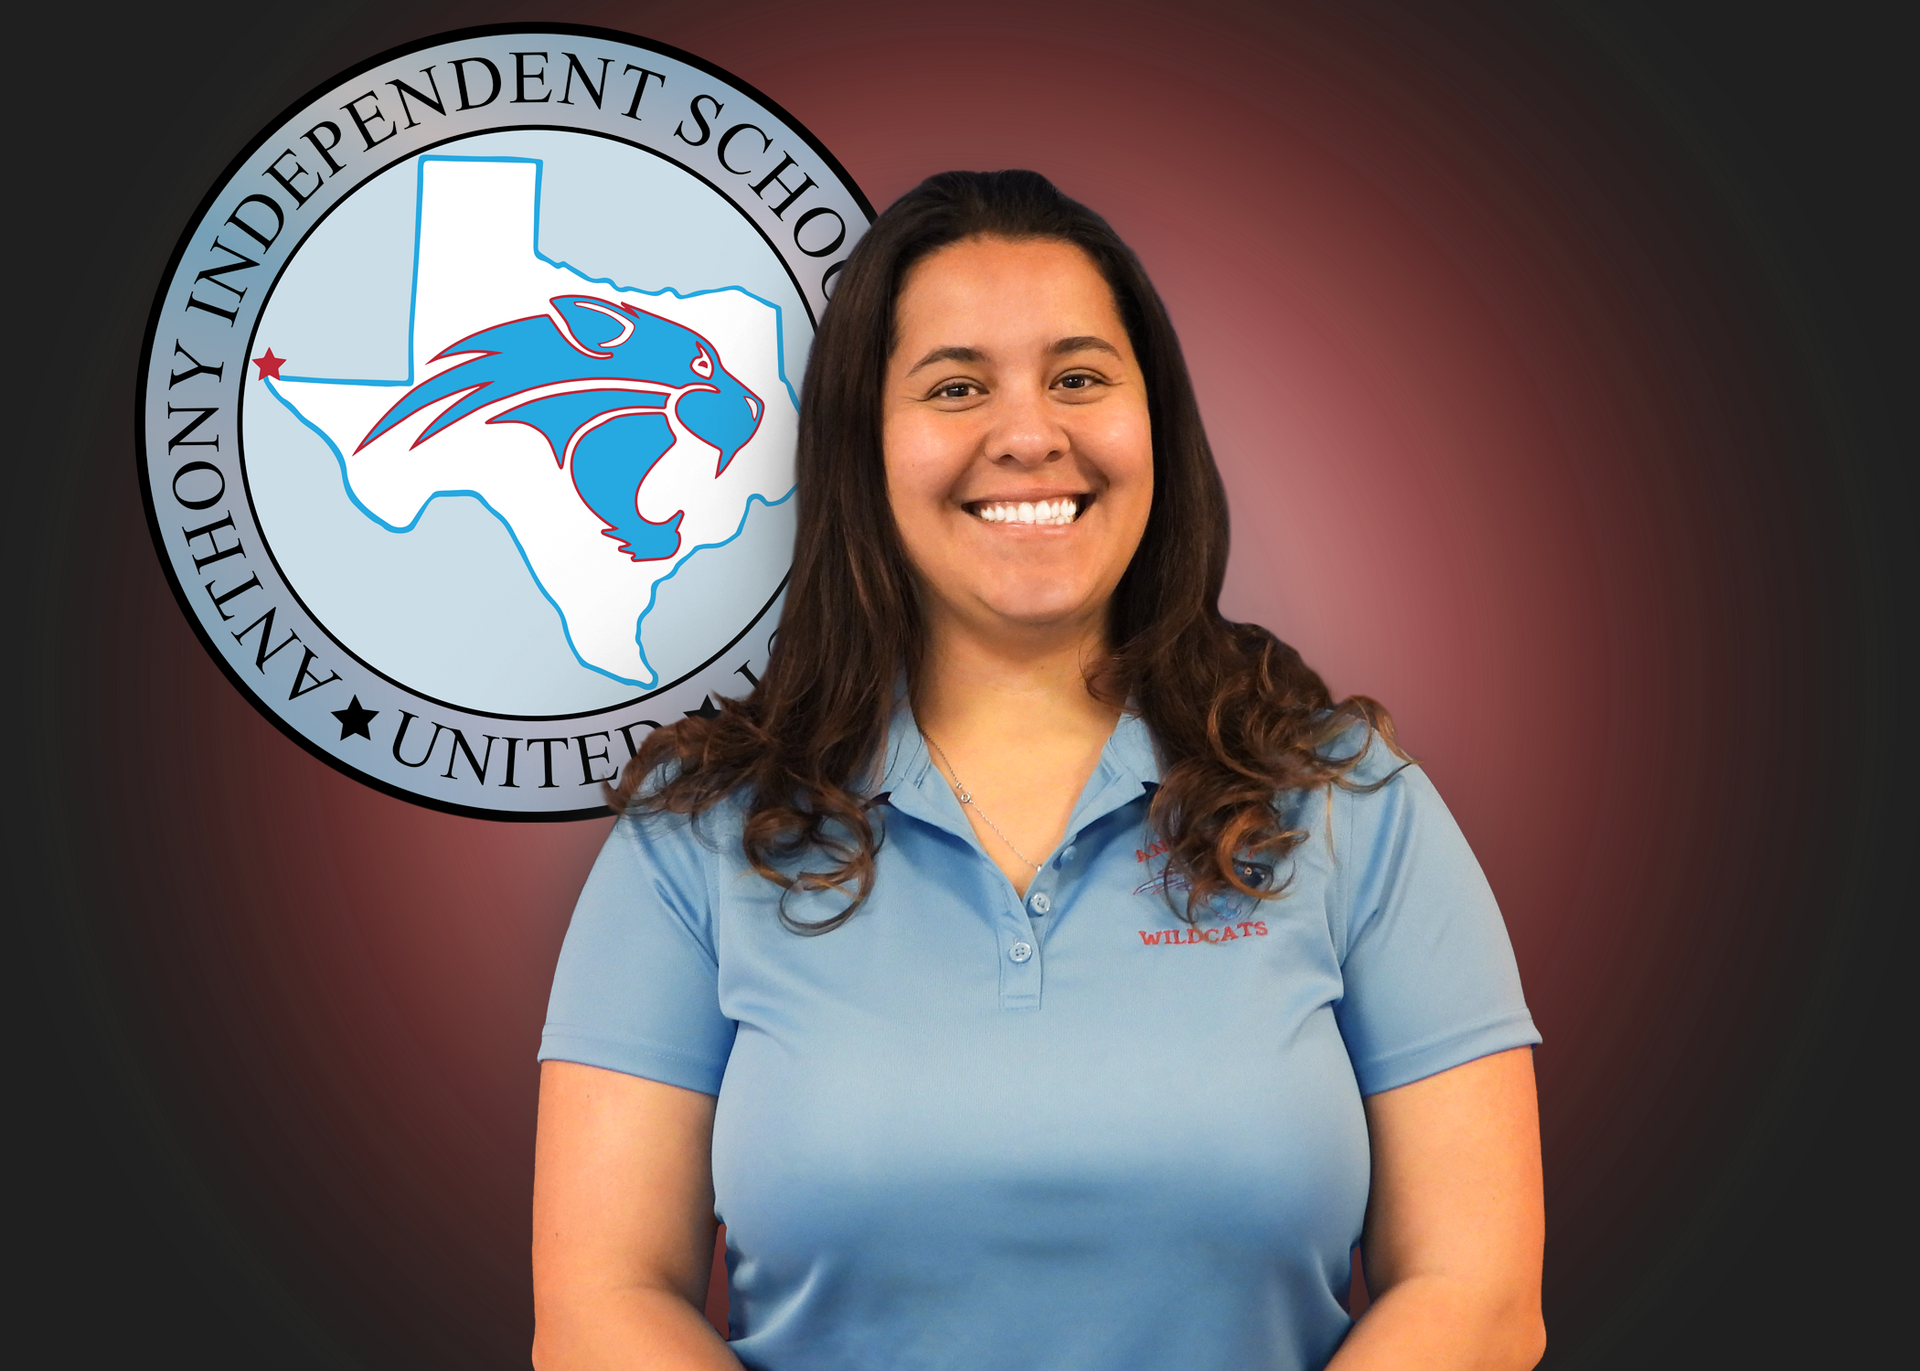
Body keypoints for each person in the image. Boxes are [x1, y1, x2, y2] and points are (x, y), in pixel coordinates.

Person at [531, 170, 1545, 1371]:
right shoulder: (695, 833)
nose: (1029, 433)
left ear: (1154, 423)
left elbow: (1477, 1297)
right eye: (957, 386)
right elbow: (601, 1308)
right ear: (865, 446)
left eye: (1079, 378)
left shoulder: (1346, 798)